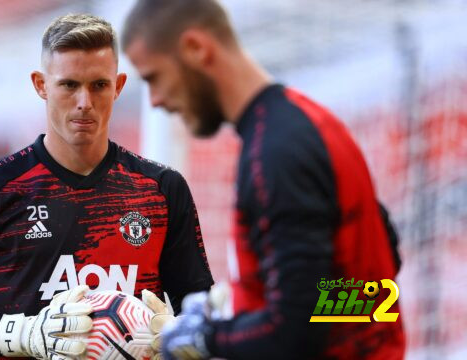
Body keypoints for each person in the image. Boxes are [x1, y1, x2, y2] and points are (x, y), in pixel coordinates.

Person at [0, 14, 213, 359]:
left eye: (99, 85)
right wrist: (25, 333)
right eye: (69, 85)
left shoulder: (161, 189)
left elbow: (202, 310)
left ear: (118, 86)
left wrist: (182, 335)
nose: (84, 102)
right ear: (41, 85)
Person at [122, 1, 404, 359]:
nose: (156, 101)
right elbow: (376, 281)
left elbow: (293, 332)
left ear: (196, 48)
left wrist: (208, 336)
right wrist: (247, 307)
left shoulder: (275, 154)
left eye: (153, 78)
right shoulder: (312, 121)